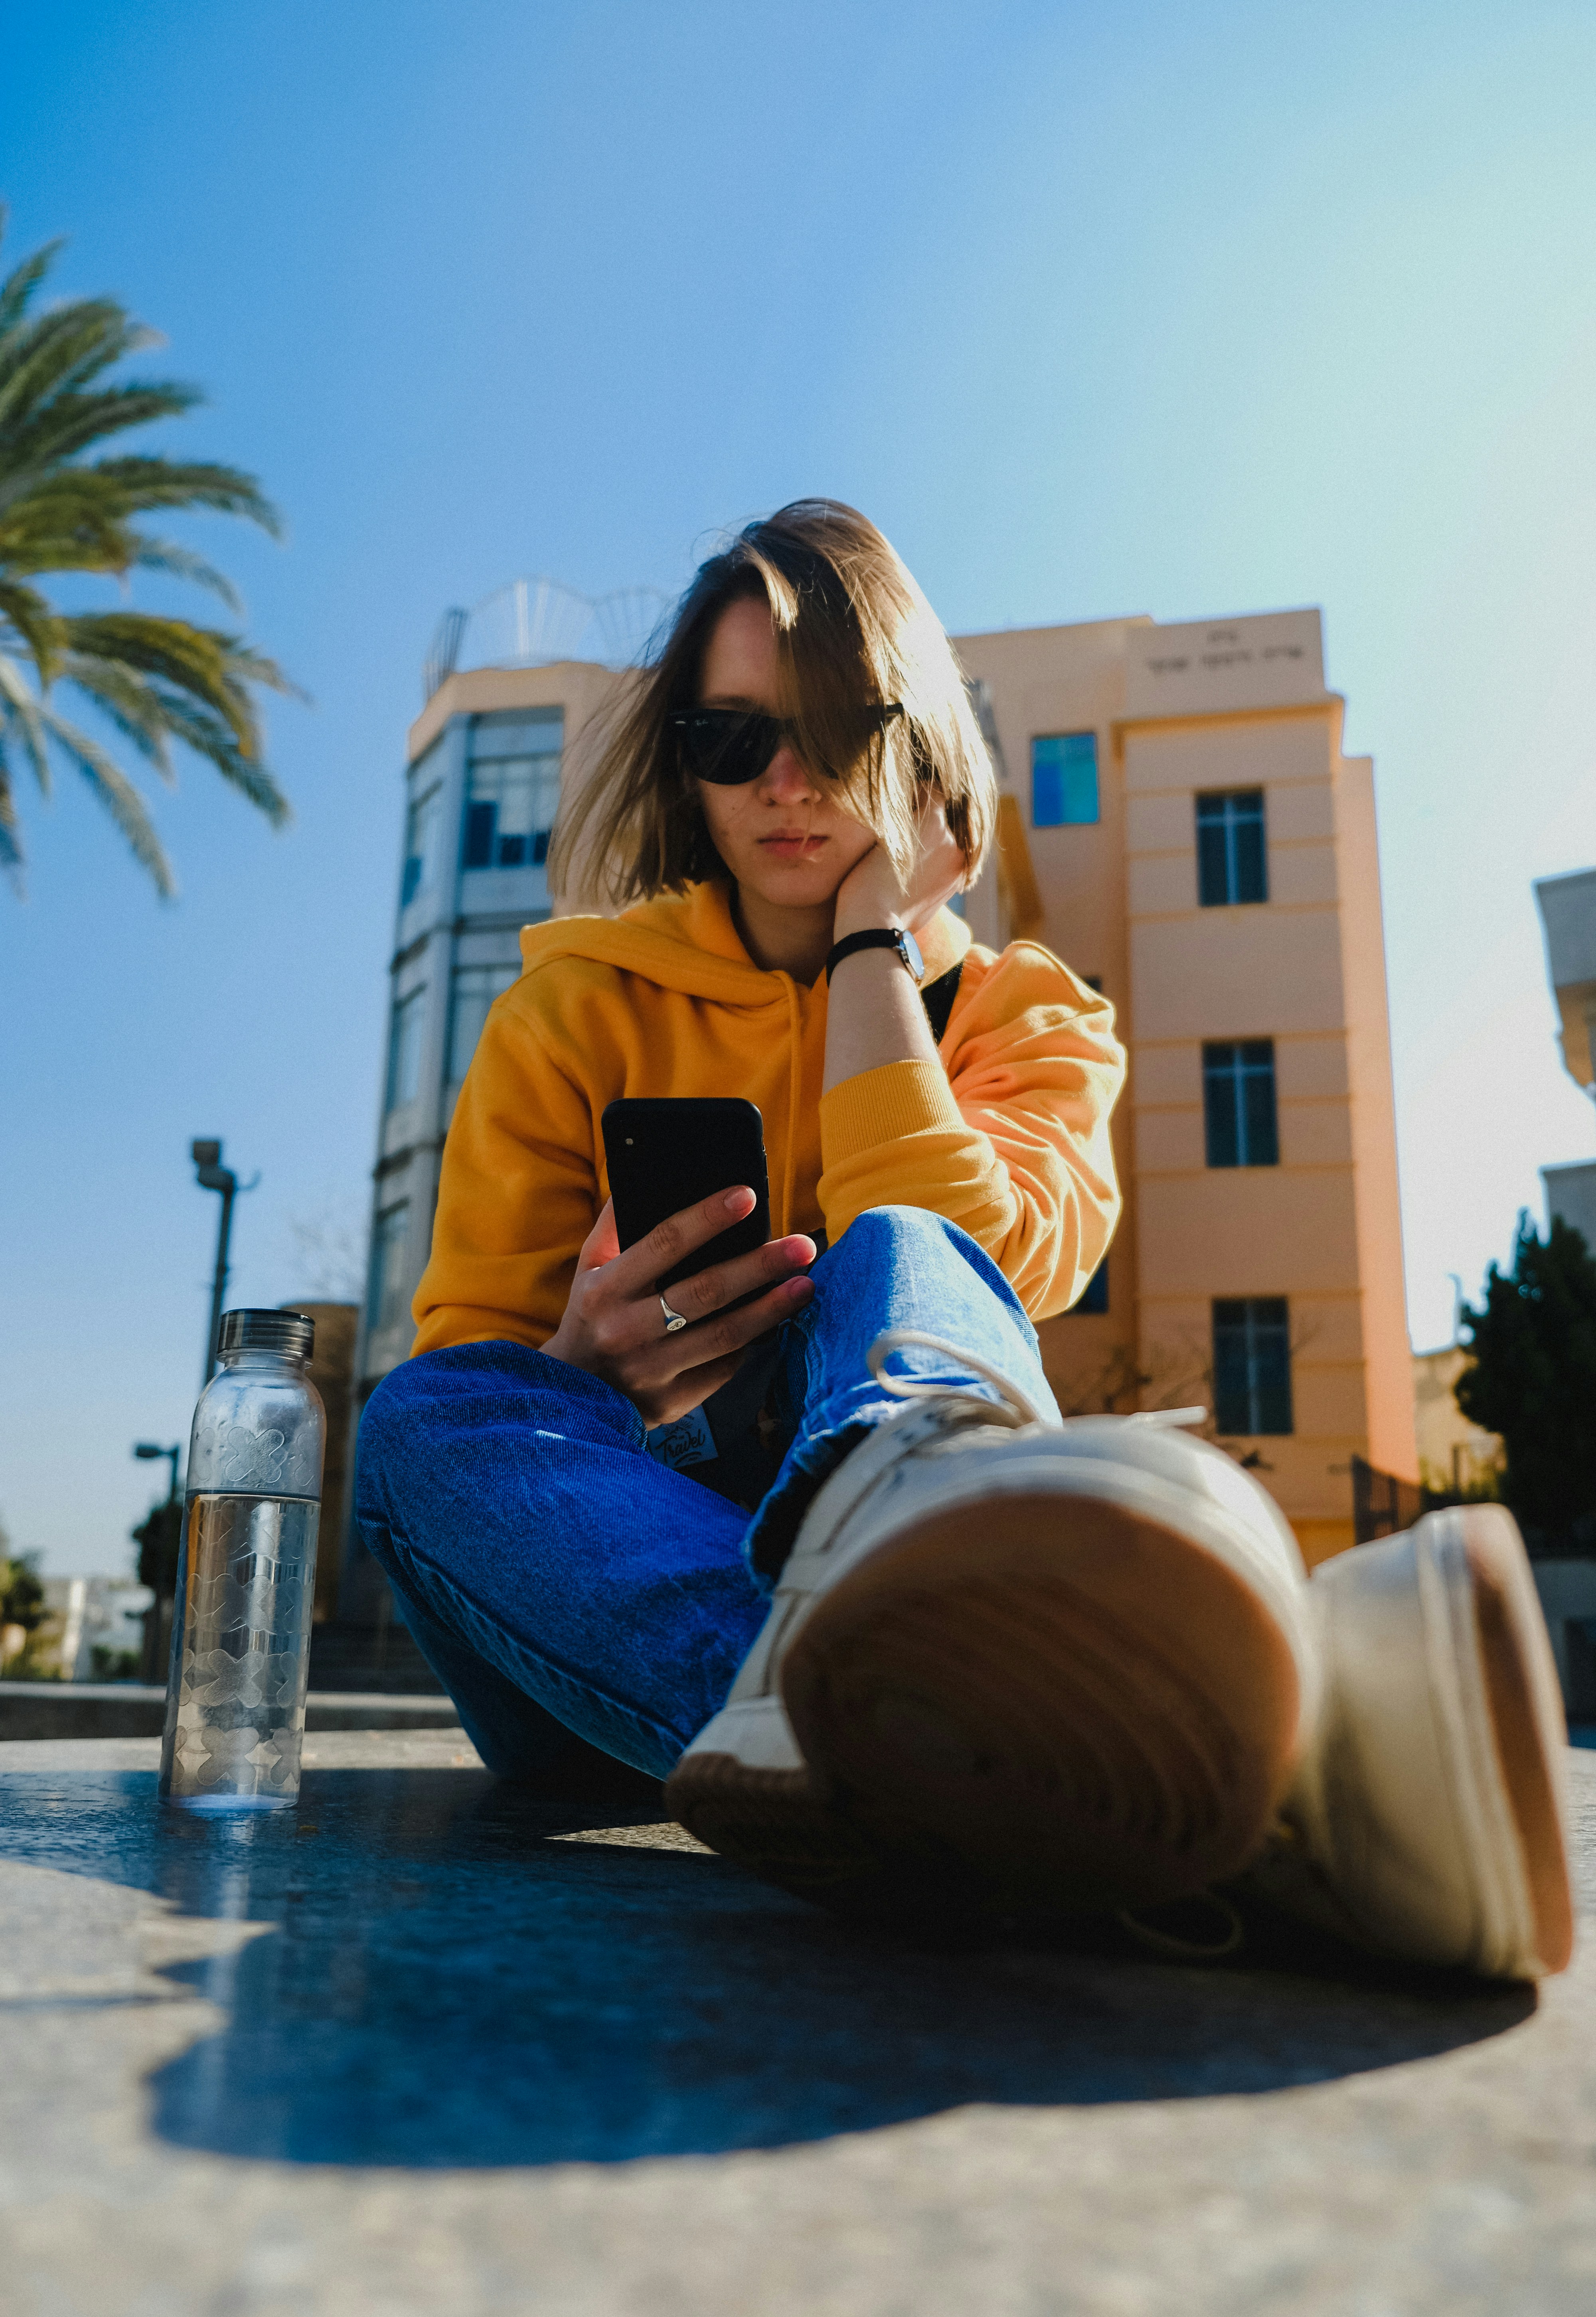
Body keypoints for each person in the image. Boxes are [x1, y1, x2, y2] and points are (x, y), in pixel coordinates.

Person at [357, 500, 1573, 1979]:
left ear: (922, 744)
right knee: (422, 1423)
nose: (784, 783)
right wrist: (591, 1372)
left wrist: (878, 942)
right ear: (686, 761)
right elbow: (480, 1383)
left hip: (920, 1567)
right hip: (600, 1619)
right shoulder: (571, 1012)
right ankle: (1254, 1785)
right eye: (733, 739)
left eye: (834, 729)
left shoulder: (1032, 1019)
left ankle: (919, 1725)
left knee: (906, 1247)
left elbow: (997, 1247)